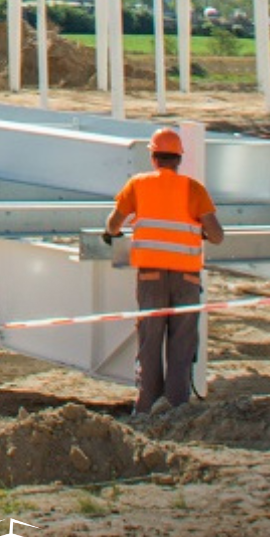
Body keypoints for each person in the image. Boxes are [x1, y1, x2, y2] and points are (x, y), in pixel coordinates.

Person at [104, 127, 225, 414]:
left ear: (154, 158)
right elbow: (217, 236)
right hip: (186, 278)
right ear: (179, 159)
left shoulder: (138, 184)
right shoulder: (194, 189)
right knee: (182, 344)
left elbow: (112, 225)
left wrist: (111, 233)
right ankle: (176, 408)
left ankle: (146, 407)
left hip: (151, 277)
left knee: (150, 339)